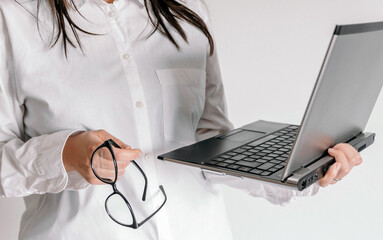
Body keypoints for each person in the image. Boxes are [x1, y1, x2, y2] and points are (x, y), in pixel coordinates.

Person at [0, 0, 363, 239]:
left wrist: (305, 166)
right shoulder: (13, 19)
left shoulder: (189, 13)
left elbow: (212, 146)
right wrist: (65, 154)